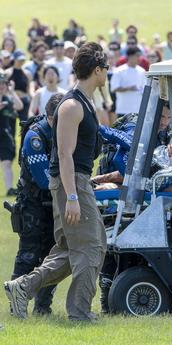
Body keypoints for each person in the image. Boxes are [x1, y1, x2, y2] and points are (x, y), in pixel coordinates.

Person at [4, 42, 109, 321]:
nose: (107, 74)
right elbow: (64, 154)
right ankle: (79, 313)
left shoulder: (84, 102)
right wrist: (73, 196)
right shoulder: (72, 105)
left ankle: (22, 287)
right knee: (92, 247)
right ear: (97, 70)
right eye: (105, 69)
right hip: (70, 182)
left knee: (70, 249)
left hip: (77, 180)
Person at [8, 93, 63, 316]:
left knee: (52, 256)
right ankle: (16, 306)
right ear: (51, 117)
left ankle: (43, 307)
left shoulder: (64, 133)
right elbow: (43, 180)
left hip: (54, 205)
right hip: (32, 205)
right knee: (28, 256)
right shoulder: (35, 136)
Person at [0, 74, 23, 195]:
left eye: (3, 83)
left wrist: (12, 91)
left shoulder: (7, 99)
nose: (1, 86)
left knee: (7, 163)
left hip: (4, 136)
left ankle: (9, 189)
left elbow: (19, 106)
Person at [110, 47, 146, 118]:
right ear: (130, 56)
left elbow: (144, 88)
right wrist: (128, 88)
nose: (139, 58)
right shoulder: (119, 71)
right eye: (137, 55)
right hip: (123, 110)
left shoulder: (142, 71)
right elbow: (113, 88)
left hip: (138, 111)